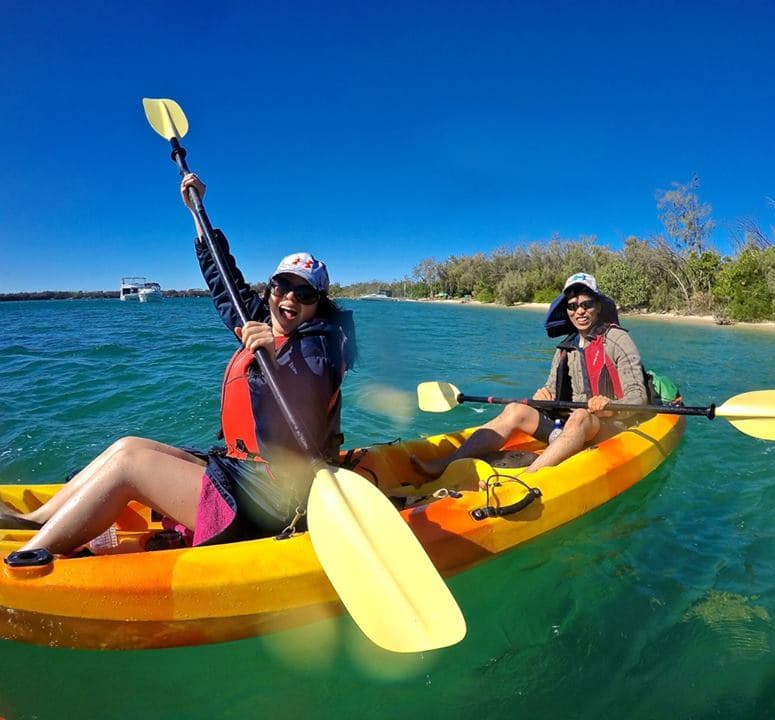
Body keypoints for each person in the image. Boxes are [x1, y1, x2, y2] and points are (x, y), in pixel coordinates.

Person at [1, 173, 355, 555]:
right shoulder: (266, 324)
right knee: (127, 445)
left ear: (319, 302)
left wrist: (273, 359)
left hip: (276, 497)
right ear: (269, 290)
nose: (289, 298)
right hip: (243, 471)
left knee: (131, 467)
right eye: (281, 287)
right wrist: (197, 214)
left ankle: (25, 560)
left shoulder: (318, 350)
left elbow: (291, 436)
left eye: (303, 293)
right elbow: (226, 286)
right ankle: (40, 521)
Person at [412, 272, 648, 477]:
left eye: (586, 304)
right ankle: (445, 464)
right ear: (567, 311)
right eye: (573, 306)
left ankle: (528, 477)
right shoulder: (566, 348)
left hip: (612, 427)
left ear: (598, 306)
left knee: (580, 418)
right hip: (570, 427)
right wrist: (543, 399)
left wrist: (611, 406)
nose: (580, 311)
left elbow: (638, 398)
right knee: (515, 409)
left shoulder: (618, 339)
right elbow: (552, 392)